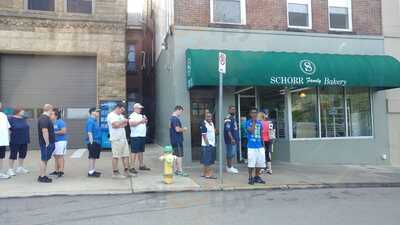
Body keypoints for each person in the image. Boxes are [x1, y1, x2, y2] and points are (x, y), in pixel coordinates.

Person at [107, 102, 133, 179]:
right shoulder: (111, 115)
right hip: (116, 138)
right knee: (116, 156)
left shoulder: (121, 115)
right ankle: (115, 173)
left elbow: (125, 125)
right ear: (117, 108)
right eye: (121, 110)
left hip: (123, 138)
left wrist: (121, 123)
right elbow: (115, 125)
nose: (122, 112)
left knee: (126, 155)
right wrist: (122, 122)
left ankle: (126, 171)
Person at [7, 107, 30, 176]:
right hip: (15, 140)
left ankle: (20, 167)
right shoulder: (10, 119)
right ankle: (10, 169)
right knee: (13, 155)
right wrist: (7, 139)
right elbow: (8, 129)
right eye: (22, 111)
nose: (23, 112)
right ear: (18, 112)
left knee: (23, 154)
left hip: (24, 139)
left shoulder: (24, 119)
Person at [246, 108, 266, 185]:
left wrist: (263, 145)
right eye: (252, 113)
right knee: (251, 163)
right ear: (250, 114)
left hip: (260, 146)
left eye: (255, 113)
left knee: (260, 163)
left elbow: (261, 135)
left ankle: (257, 177)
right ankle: (250, 177)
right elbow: (251, 131)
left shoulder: (260, 123)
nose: (254, 114)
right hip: (251, 147)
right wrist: (254, 122)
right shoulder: (247, 122)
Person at [129, 103, 150, 174]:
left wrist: (145, 121)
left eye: (140, 108)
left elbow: (144, 124)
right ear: (135, 108)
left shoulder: (142, 115)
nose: (140, 109)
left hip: (142, 135)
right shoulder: (132, 115)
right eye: (139, 108)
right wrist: (141, 121)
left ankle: (141, 165)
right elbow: (131, 124)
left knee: (141, 151)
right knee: (134, 151)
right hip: (135, 136)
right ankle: (132, 167)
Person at [37, 104, 56, 183]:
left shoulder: (46, 118)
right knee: (44, 159)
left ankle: (43, 175)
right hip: (46, 144)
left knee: (45, 160)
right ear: (50, 109)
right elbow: (44, 131)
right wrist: (47, 143)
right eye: (52, 109)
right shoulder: (44, 118)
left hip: (48, 143)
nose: (52, 111)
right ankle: (42, 177)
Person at [169, 105, 188, 177]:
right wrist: (184, 129)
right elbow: (177, 129)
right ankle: (180, 170)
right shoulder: (175, 119)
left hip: (173, 139)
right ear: (178, 110)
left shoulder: (171, 118)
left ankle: (175, 170)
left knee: (175, 155)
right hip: (177, 140)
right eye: (181, 112)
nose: (181, 113)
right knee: (179, 155)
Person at [50, 110, 68, 178]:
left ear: (56, 116)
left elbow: (64, 131)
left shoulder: (61, 122)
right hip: (54, 141)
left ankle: (61, 171)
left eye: (52, 114)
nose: (50, 115)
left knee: (60, 156)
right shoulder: (52, 122)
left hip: (61, 141)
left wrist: (53, 133)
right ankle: (56, 171)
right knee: (56, 157)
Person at [85, 108, 102, 177]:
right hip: (93, 142)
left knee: (94, 156)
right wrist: (91, 143)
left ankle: (93, 170)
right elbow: (89, 132)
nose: (98, 113)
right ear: (92, 112)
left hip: (97, 141)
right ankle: (90, 172)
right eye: (96, 111)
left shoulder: (95, 121)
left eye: (98, 112)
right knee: (92, 156)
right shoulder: (90, 121)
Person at [200, 112, 217, 179]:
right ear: (205, 117)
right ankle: (209, 174)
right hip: (207, 145)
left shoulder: (212, 123)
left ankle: (204, 173)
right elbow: (204, 135)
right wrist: (208, 145)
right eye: (207, 116)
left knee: (206, 160)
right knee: (208, 161)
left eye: (210, 116)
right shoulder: (204, 124)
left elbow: (214, 132)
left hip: (212, 144)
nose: (209, 118)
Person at [224, 106, 239, 174]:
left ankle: (229, 166)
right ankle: (229, 167)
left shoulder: (233, 118)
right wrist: (232, 138)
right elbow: (228, 130)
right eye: (232, 109)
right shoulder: (228, 118)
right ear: (229, 110)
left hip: (234, 139)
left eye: (234, 109)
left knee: (232, 153)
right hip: (230, 140)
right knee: (230, 153)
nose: (234, 110)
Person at [260, 109, 274, 175]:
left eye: (266, 113)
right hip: (262, 139)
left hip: (268, 140)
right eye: (264, 113)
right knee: (262, 153)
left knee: (268, 153)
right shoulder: (260, 122)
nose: (265, 115)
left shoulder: (270, 122)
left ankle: (269, 168)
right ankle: (263, 167)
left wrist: (271, 140)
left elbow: (271, 132)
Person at [0, 102, 11, 179]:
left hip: (2, 141)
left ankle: (0, 173)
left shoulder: (3, 115)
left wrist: (8, 138)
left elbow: (8, 127)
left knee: (1, 157)